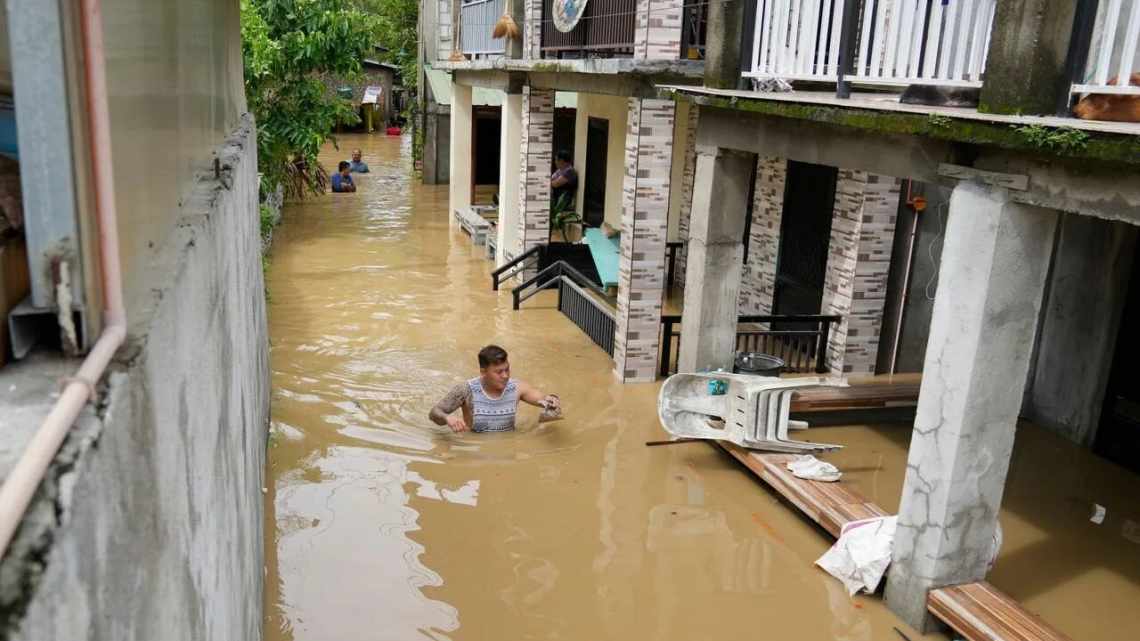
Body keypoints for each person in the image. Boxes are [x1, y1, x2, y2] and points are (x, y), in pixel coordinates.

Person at [429, 345, 560, 433]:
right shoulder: (465, 390)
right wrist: (447, 418)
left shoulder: (517, 387)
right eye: (499, 372)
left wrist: (551, 400)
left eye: (507, 369)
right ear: (483, 372)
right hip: (475, 448)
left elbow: (541, 399)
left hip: (508, 449)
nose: (505, 375)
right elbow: (434, 413)